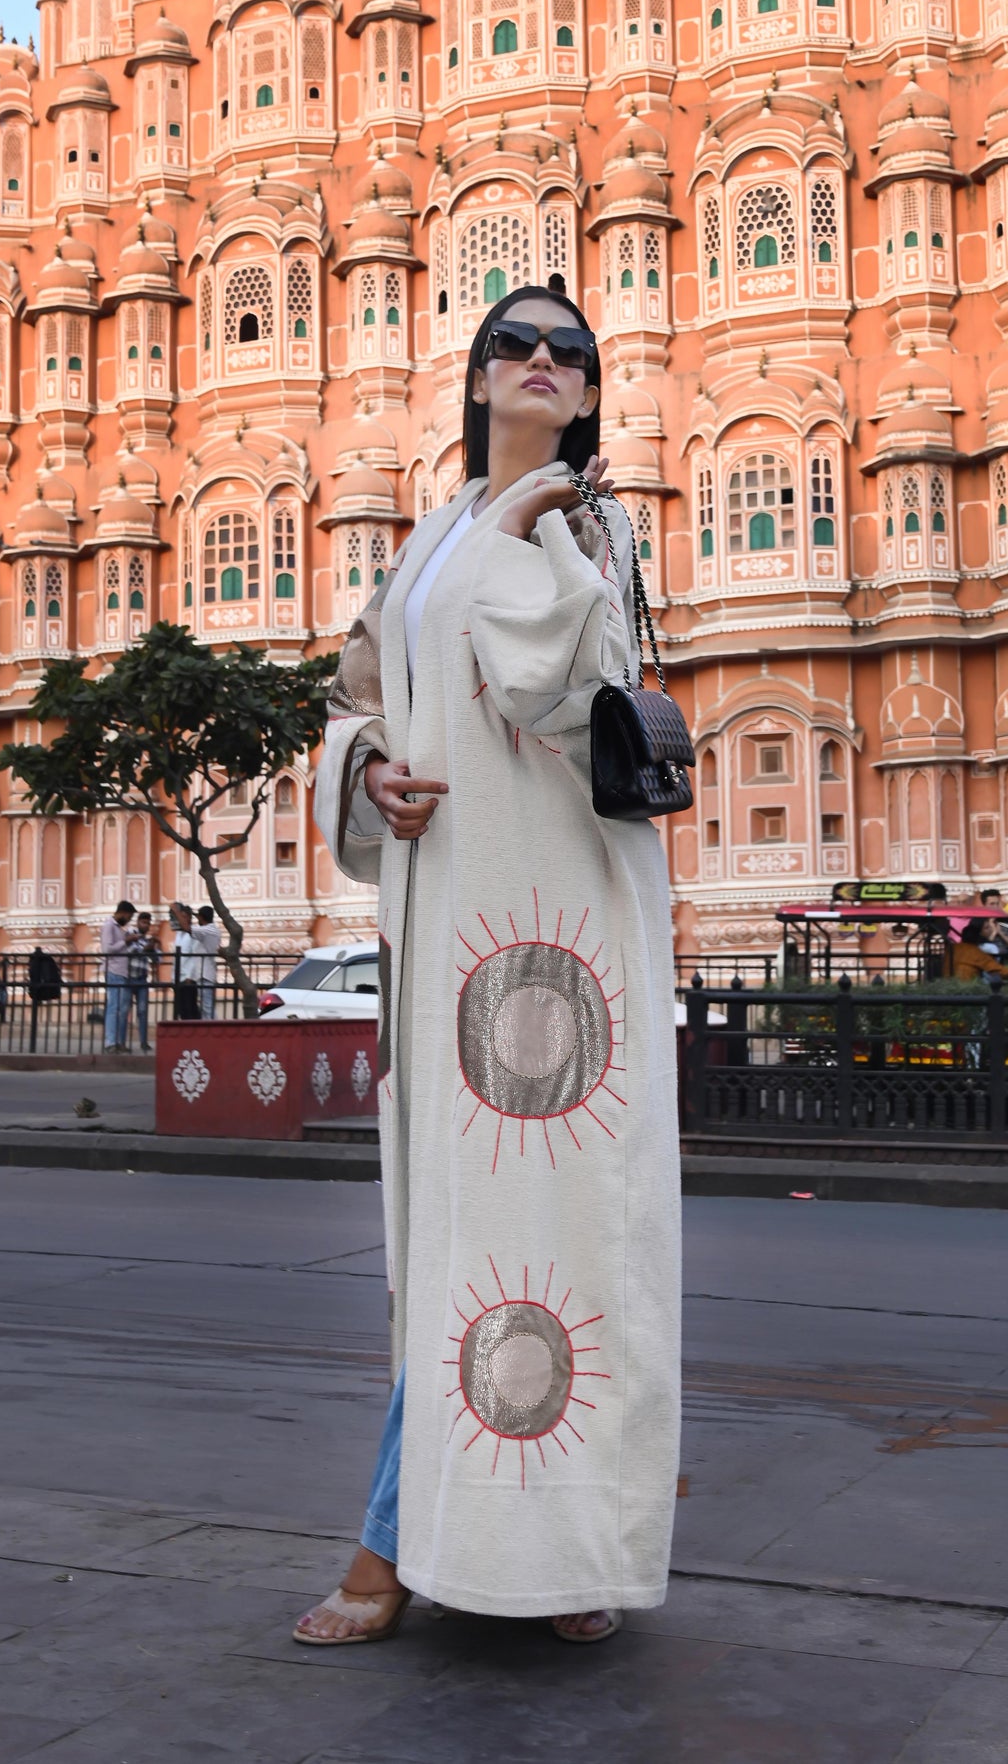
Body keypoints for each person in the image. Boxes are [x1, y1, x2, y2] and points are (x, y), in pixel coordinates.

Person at [300, 285, 680, 1648]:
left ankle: (522, 1547)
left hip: (557, 931)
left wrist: (531, 524)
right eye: (511, 346)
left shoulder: (588, 526)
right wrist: (373, 771)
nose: (536, 362)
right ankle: (430, 1540)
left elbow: (551, 695)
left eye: (564, 354)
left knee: (561, 1245)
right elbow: (352, 701)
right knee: (453, 1250)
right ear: (474, 380)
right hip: (446, 929)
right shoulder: (425, 541)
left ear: (585, 393)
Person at [100, 900, 136, 1051]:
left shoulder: (119, 928)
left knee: (122, 1009)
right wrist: (125, 941)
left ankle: (119, 1041)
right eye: (129, 917)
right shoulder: (109, 926)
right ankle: (110, 1042)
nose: (129, 920)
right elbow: (107, 949)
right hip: (113, 970)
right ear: (123, 913)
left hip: (122, 971)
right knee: (113, 1007)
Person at [128, 912, 159, 1052]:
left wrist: (153, 949)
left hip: (142, 979)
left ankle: (143, 1042)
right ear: (138, 922)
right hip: (128, 978)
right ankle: (120, 1042)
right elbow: (134, 951)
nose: (146, 925)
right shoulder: (130, 936)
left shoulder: (147, 940)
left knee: (143, 1011)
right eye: (143, 922)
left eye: (148, 923)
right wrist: (149, 948)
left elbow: (157, 959)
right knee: (124, 1011)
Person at [950, 917, 1008, 983]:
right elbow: (998, 969)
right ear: (978, 936)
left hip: (948, 982)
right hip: (967, 985)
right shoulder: (975, 952)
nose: (990, 930)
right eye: (986, 928)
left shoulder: (953, 948)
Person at [169, 901, 201, 1019]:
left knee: (190, 1010)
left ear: (187, 917)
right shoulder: (179, 934)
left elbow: (195, 956)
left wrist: (190, 976)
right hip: (178, 978)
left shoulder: (194, 933)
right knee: (181, 1010)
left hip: (188, 979)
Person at [193, 905, 222, 1016]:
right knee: (206, 1005)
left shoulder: (207, 930)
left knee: (207, 1006)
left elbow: (187, 928)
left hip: (205, 974)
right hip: (206, 973)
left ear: (201, 917)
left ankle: (213, 1030)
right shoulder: (212, 930)